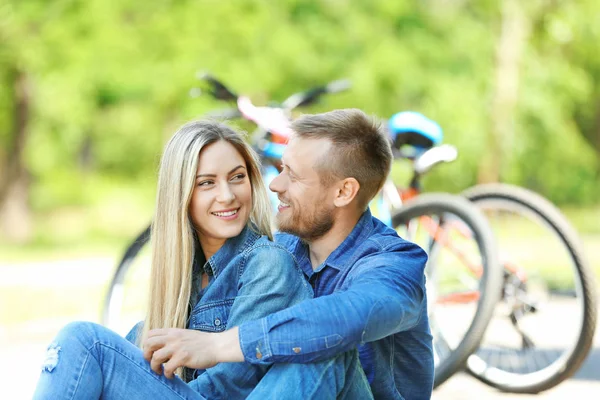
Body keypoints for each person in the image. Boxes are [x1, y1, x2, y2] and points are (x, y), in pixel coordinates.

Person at [33, 120, 371, 399]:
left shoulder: (268, 263)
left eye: (237, 177)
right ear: (181, 195)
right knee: (129, 341)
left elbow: (231, 384)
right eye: (206, 183)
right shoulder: (183, 287)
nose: (227, 195)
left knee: (85, 342)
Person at [155, 109, 434, 400]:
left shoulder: (396, 263)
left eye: (293, 176)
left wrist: (218, 346)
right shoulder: (282, 250)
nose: (276, 185)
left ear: (343, 192)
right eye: (280, 169)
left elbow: (345, 317)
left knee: (321, 350)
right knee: (110, 345)